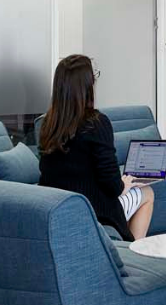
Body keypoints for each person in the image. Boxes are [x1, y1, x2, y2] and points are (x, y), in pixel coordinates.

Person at [37, 54, 155, 241]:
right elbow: (111, 184)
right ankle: (133, 252)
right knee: (147, 194)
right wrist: (123, 184)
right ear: (86, 86)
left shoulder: (48, 124)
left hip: (60, 209)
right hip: (95, 213)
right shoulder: (97, 123)